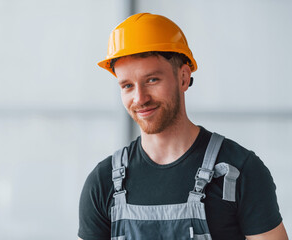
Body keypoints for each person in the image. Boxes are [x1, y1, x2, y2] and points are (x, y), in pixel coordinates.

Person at [78, 13, 288, 240]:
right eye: (127, 85)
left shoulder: (239, 172)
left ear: (184, 77)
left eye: (152, 80)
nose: (139, 98)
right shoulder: (103, 182)